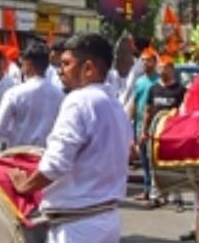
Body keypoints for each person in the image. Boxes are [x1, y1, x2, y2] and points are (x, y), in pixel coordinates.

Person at [9, 33, 133, 243]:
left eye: (66, 64)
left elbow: (55, 164)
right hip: (106, 220)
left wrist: (25, 186)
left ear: (88, 68)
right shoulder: (114, 104)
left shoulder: (79, 100)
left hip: (78, 228)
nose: (59, 71)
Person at [0, 42, 64, 149]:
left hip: (18, 153)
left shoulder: (14, 94)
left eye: (22, 63)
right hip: (46, 155)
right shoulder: (60, 95)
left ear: (29, 64)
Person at [142, 55, 187, 210]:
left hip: (173, 135)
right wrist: (144, 131)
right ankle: (156, 197)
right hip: (155, 134)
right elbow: (148, 111)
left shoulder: (180, 90)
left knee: (174, 166)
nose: (161, 70)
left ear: (172, 69)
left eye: (165, 67)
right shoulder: (154, 89)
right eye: (160, 67)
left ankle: (177, 199)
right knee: (154, 165)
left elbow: (185, 113)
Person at [128, 50, 160, 204]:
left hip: (156, 127)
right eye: (143, 60)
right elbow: (134, 102)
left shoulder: (159, 81)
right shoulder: (140, 81)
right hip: (139, 125)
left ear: (155, 62)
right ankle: (146, 190)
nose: (145, 63)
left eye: (148, 60)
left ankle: (158, 192)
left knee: (154, 160)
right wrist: (130, 121)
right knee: (144, 161)